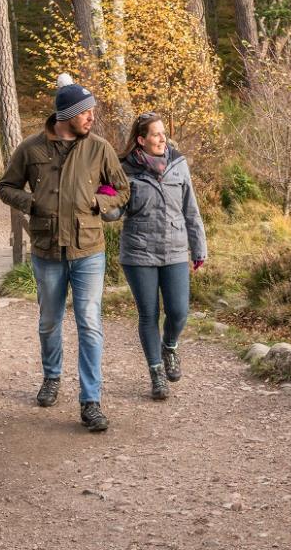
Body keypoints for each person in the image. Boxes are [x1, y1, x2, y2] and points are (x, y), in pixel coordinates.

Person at [0, 74, 129, 432]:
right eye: (86, 113)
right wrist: (32, 203)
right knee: (50, 320)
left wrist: (98, 202)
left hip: (88, 248)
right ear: (66, 115)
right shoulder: (31, 149)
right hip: (46, 249)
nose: (91, 118)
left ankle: (91, 401)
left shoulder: (99, 148)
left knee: (89, 321)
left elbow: (122, 190)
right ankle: (52, 377)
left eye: (92, 113)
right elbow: (5, 186)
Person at [104, 112, 207, 400]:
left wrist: (199, 248)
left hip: (175, 249)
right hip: (138, 253)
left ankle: (170, 346)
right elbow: (113, 214)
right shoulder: (124, 171)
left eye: (163, 133)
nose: (163, 138)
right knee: (148, 314)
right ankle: (156, 373)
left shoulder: (178, 165)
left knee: (179, 311)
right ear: (141, 140)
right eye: (156, 134)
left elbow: (191, 210)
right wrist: (105, 195)